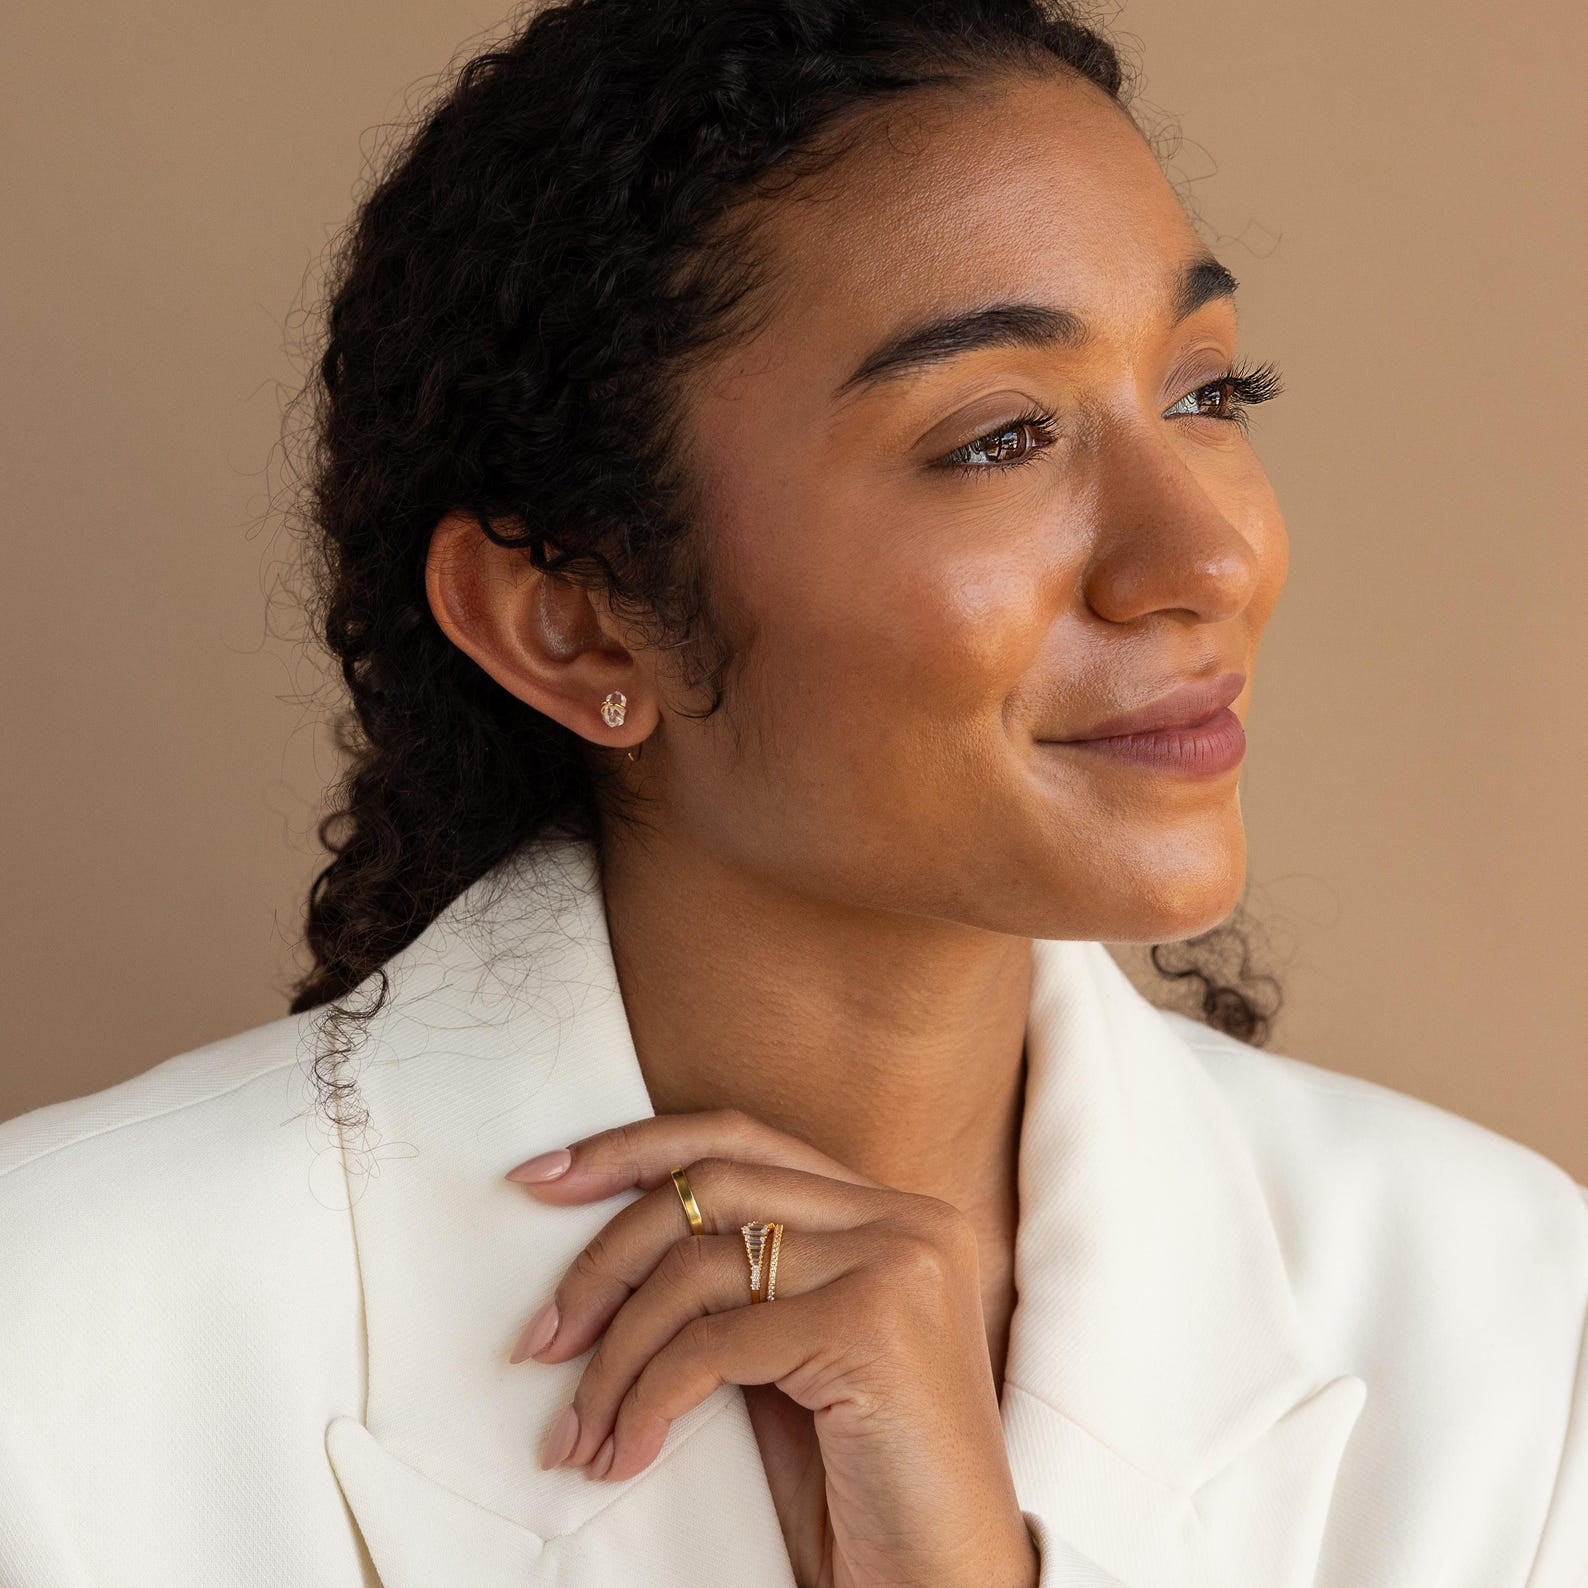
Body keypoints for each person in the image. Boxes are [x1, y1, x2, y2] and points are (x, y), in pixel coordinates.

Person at [2, 1, 1584, 1584]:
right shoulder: (56, 1348)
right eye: (1001, 436)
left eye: (1208, 395)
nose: (1209, 559)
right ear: (576, 619)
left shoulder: (1510, 1309)